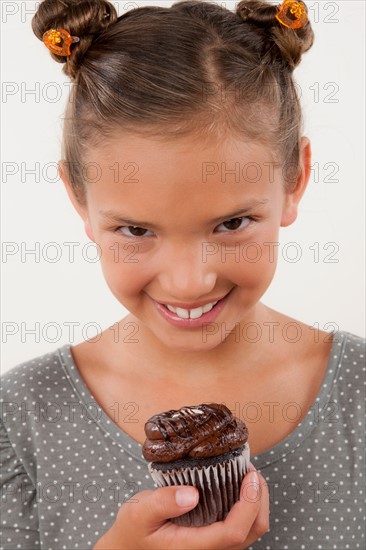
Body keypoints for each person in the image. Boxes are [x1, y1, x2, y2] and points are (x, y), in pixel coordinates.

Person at [1, 0, 364, 549]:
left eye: (232, 223)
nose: (188, 282)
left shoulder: (357, 399)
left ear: (296, 179)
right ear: (79, 199)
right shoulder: (19, 421)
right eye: (137, 231)